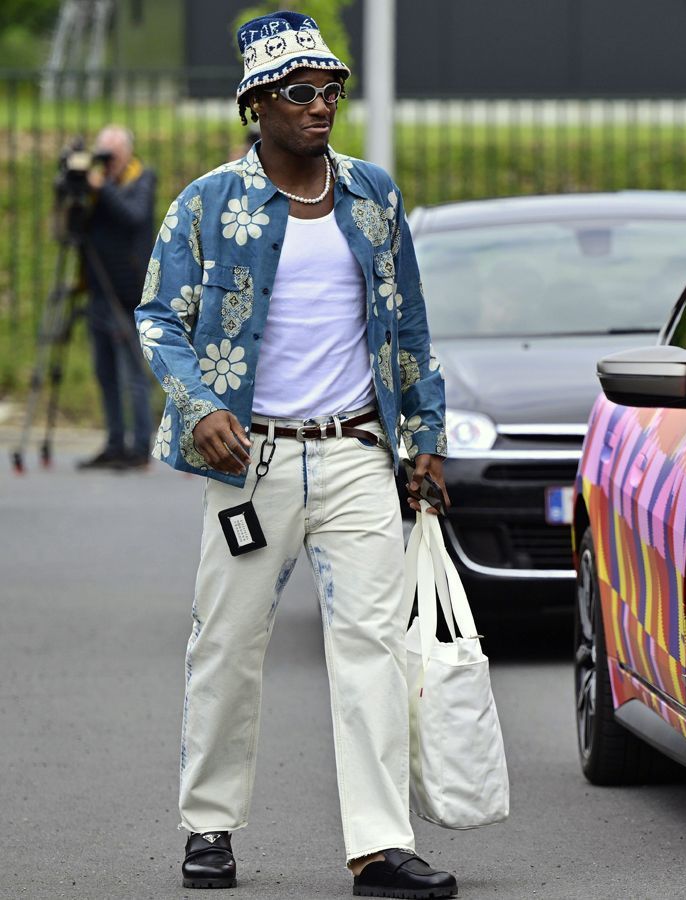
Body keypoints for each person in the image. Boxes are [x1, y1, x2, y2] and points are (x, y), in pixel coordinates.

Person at [135, 11, 457, 897]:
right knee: (227, 645)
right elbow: (156, 316)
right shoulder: (207, 204)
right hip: (252, 463)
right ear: (256, 106)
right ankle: (209, 829)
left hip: (355, 451)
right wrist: (198, 404)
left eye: (332, 90)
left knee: (372, 650)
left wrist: (425, 441)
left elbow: (411, 329)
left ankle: (379, 847)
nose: (322, 106)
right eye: (301, 93)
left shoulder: (372, 195)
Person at [79, 124, 157, 470]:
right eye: (103, 154)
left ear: (127, 152)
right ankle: (114, 442)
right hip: (96, 287)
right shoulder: (95, 185)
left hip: (127, 292)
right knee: (104, 372)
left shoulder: (142, 178)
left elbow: (133, 216)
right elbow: (72, 225)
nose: (107, 161)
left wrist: (103, 187)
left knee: (131, 373)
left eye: (113, 154)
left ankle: (140, 448)